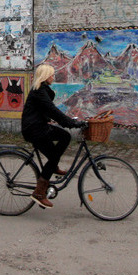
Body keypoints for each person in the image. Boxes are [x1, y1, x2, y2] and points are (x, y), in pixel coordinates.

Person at [21, 64, 86, 209]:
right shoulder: (39, 91)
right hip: (34, 129)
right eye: (51, 75)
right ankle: (39, 192)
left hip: (38, 127)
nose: (53, 77)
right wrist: (71, 123)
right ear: (45, 76)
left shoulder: (42, 90)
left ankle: (52, 166)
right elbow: (53, 110)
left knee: (56, 150)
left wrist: (69, 121)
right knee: (64, 137)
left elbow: (50, 112)